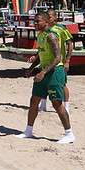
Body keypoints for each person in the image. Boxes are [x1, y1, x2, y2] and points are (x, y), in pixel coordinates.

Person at [19, 11, 75, 144]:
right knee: (34, 101)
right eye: (34, 21)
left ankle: (69, 134)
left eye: (38, 21)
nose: (35, 24)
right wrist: (31, 69)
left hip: (55, 72)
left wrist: (43, 72)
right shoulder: (40, 35)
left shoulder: (51, 35)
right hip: (43, 71)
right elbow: (40, 55)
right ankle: (28, 131)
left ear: (46, 22)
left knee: (57, 104)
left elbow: (57, 58)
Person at [47, 10, 74, 114]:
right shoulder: (45, 29)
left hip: (60, 62)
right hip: (48, 62)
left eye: (50, 16)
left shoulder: (61, 29)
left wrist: (67, 60)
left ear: (55, 17)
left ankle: (66, 105)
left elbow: (70, 44)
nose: (48, 18)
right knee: (47, 82)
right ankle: (44, 103)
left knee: (62, 84)